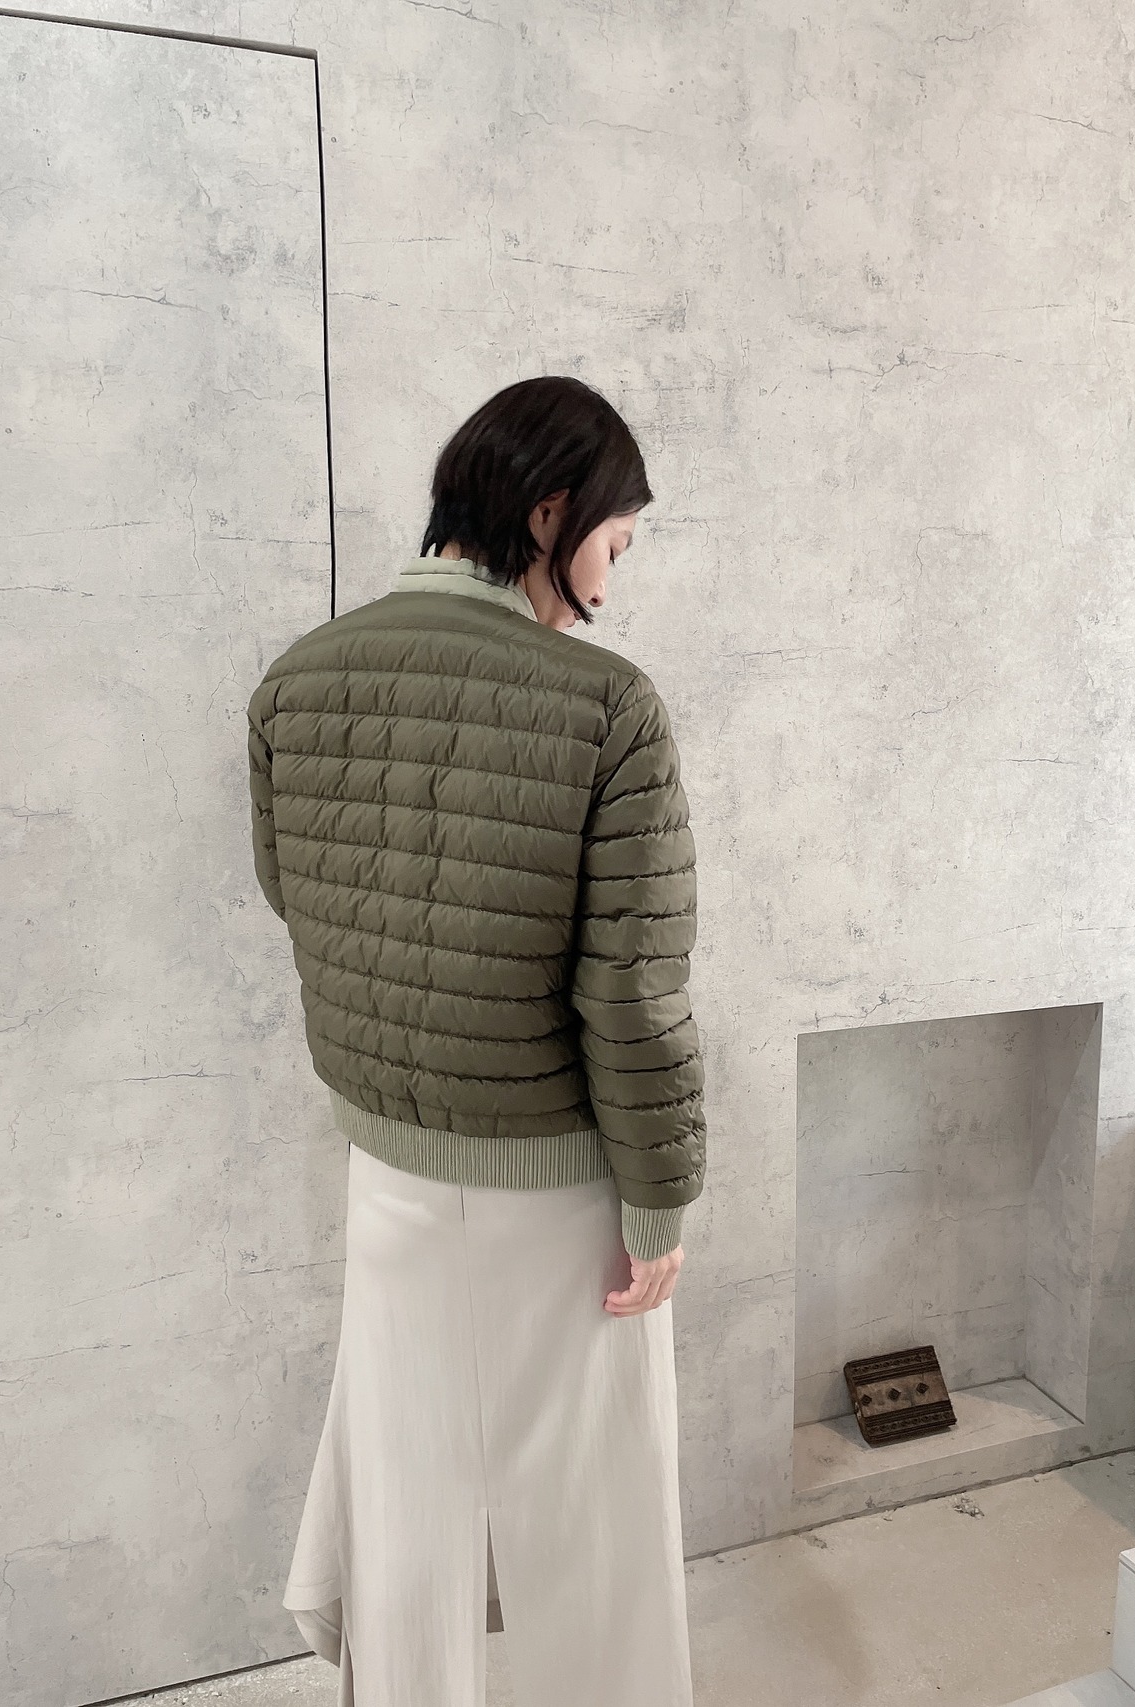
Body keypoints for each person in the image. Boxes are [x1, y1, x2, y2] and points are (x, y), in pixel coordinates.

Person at [246, 374, 706, 1706]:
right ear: (549, 514)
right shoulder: (608, 706)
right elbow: (632, 993)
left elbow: (299, 899)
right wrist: (661, 1202)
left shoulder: (296, 682)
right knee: (600, 1522)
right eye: (613, 546)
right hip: (558, 1189)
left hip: (387, 1180)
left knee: (408, 1505)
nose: (608, 586)